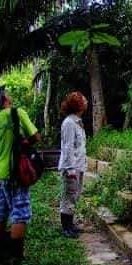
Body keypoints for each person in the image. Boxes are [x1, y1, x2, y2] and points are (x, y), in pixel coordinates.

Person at [0, 86, 40, 265]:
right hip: (16, 172)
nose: (8, 95)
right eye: (5, 93)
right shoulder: (17, 113)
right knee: (20, 214)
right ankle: (16, 257)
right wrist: (24, 142)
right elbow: (35, 136)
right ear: (3, 99)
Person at [59, 91, 88, 238]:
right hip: (72, 167)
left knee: (74, 195)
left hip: (78, 165)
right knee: (69, 196)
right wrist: (70, 168)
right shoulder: (69, 123)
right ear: (78, 104)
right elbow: (68, 147)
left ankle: (70, 225)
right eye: (84, 100)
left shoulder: (77, 122)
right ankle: (66, 228)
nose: (86, 102)